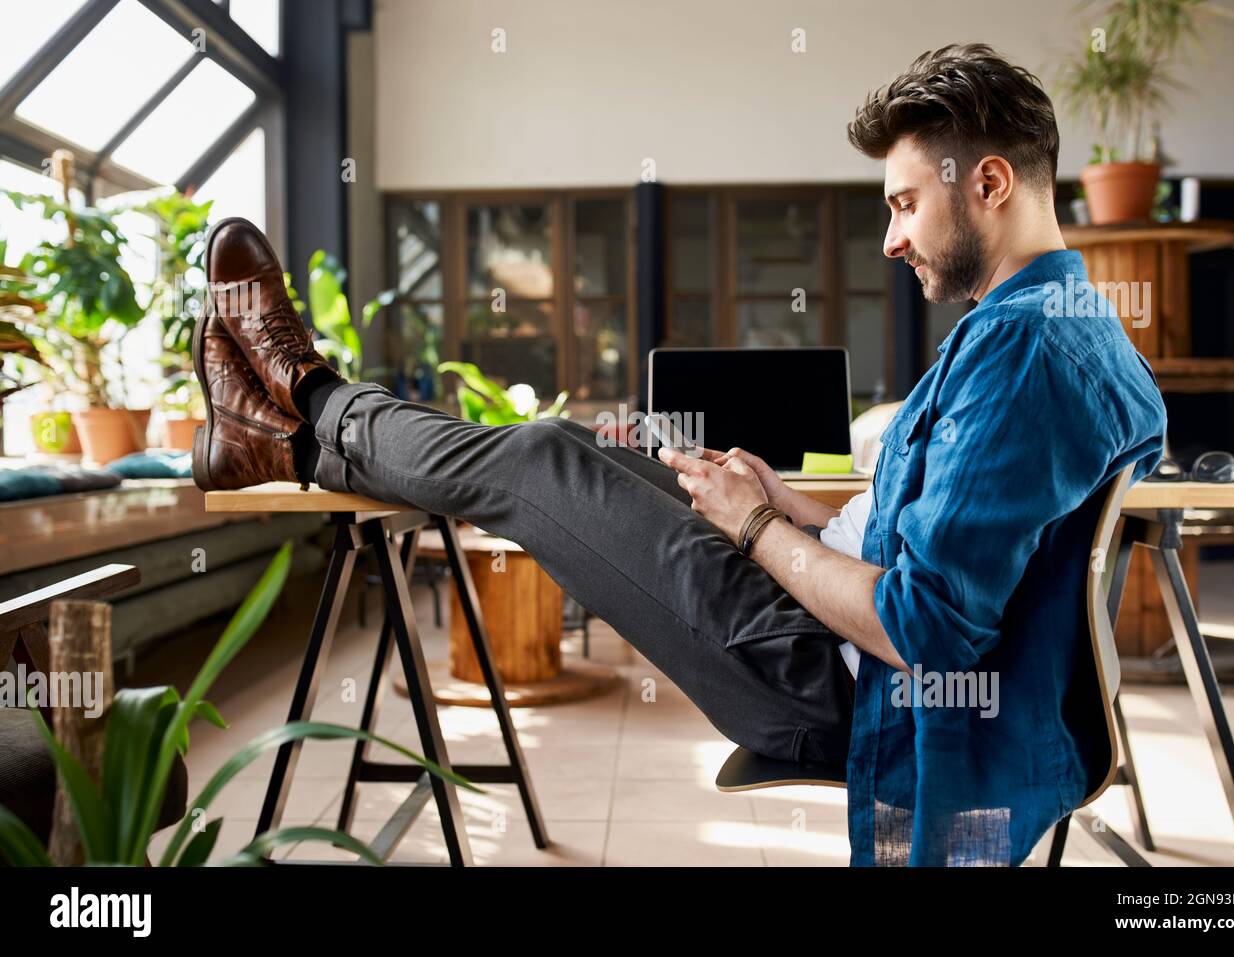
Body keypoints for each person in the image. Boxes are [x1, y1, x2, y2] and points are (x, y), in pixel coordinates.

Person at [191, 42, 1166, 867]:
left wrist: (752, 529)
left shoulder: (1024, 346)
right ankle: (283, 431)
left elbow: (922, 629)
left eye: (904, 205)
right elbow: (954, 542)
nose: (888, 239)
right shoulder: (1060, 322)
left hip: (834, 677)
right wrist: (798, 515)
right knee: (582, 442)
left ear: (986, 183)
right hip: (840, 621)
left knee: (540, 462)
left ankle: (303, 408)